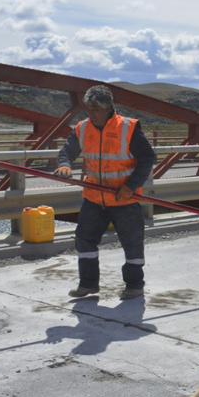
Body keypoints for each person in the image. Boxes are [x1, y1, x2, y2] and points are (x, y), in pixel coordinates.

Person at [55, 85, 155, 300]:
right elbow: (67, 152)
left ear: (109, 107)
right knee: (84, 239)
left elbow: (147, 158)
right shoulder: (82, 128)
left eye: (96, 109)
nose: (91, 114)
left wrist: (131, 186)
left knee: (132, 243)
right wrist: (64, 165)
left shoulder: (128, 128)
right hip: (93, 198)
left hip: (124, 198)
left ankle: (134, 284)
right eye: (88, 109)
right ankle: (88, 284)